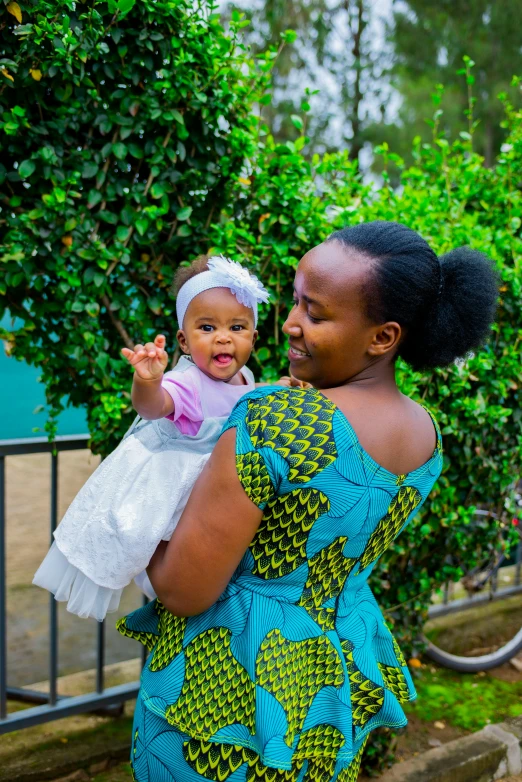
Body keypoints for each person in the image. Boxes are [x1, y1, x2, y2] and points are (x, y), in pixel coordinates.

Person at [117, 221, 498, 781]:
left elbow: (183, 589)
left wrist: (132, 517)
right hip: (325, 689)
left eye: (315, 314)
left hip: (227, 691)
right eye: (295, 302)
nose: (291, 324)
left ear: (383, 338)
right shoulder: (425, 434)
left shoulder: (279, 420)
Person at [33, 254, 286, 621]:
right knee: (167, 556)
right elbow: (154, 407)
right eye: (207, 328)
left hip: (209, 482)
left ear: (253, 337)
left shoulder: (244, 376)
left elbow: (244, 396)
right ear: (183, 340)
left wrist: (274, 388)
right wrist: (148, 381)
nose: (223, 339)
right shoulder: (187, 382)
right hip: (169, 484)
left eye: (237, 328)